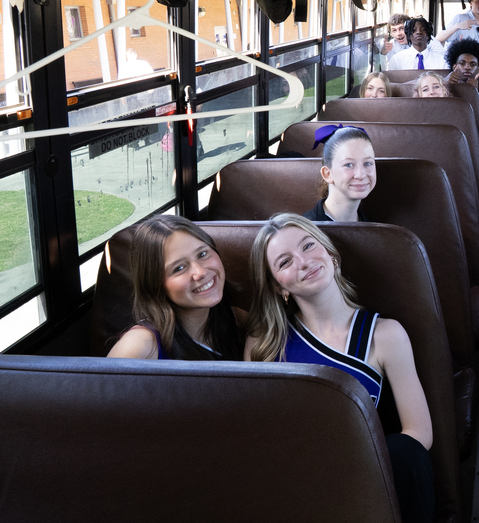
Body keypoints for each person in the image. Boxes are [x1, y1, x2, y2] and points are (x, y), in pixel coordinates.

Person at [246, 213, 434, 523]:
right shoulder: (263, 343)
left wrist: (350, 471)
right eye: (285, 262)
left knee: (406, 453)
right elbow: (255, 435)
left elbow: (419, 433)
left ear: (331, 255)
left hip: (362, 474)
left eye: (309, 245)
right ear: (279, 287)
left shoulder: (385, 334)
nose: (304, 261)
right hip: (293, 483)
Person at [107, 215, 243, 360]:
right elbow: (94, 383)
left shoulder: (236, 319)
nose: (200, 273)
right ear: (155, 284)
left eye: (202, 254)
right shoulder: (140, 343)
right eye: (179, 268)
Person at [304, 125, 375, 223]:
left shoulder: (376, 227)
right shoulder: (306, 231)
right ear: (327, 174)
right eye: (348, 165)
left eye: (367, 163)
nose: (361, 175)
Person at [444, 37, 479, 117]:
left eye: (473, 64)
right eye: (462, 63)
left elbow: (472, 122)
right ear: (454, 67)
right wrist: (444, 84)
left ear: (478, 70)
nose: (467, 67)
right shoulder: (441, 89)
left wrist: (472, 94)